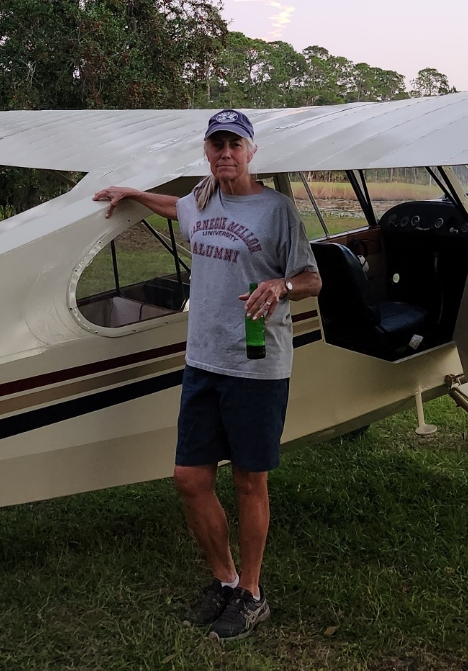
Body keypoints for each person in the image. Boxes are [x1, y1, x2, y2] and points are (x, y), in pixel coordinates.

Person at [93, 109, 322, 642]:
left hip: (257, 364)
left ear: (251, 151)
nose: (225, 152)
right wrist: (132, 193)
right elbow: (175, 209)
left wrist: (280, 288)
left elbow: (312, 278)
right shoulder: (200, 201)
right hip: (202, 363)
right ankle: (224, 580)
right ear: (206, 150)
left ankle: (252, 594)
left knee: (248, 481)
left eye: (234, 144)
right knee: (190, 479)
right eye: (216, 143)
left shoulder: (277, 210)